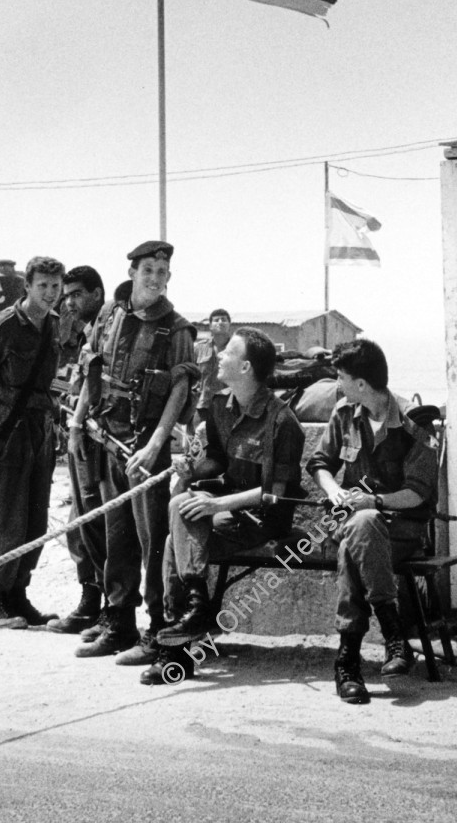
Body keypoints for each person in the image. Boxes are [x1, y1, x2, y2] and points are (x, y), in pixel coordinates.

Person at [147, 327, 305, 684]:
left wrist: (215, 503)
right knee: (179, 528)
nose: (219, 356)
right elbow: (216, 458)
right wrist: (194, 468)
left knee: (179, 528)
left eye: (228, 353)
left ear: (246, 367)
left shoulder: (282, 422)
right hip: (228, 515)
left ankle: (181, 641)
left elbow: (273, 494)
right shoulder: (221, 405)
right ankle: (194, 612)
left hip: (263, 522)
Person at [67, 240, 198, 664]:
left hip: (144, 447)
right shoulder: (110, 313)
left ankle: (159, 631)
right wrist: (77, 423)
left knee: (152, 541)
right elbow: (92, 368)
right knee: (116, 535)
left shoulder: (176, 330)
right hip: (106, 438)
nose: (155, 280)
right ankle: (119, 622)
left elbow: (180, 390)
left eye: (162, 273)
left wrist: (156, 444)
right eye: (148, 271)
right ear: (132, 272)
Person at [306, 338, 439, 704]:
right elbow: (320, 463)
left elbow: (418, 493)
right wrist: (333, 490)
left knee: (360, 534)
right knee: (360, 527)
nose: (339, 385)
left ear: (361, 384)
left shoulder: (415, 423)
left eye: (342, 377)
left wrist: (374, 500)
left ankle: (347, 662)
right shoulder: (345, 414)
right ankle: (392, 632)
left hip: (401, 531)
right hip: (348, 522)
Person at [0, 256, 67, 629]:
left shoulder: (54, 324)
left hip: (42, 429)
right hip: (9, 430)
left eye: (55, 286)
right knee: (9, 516)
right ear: (27, 285)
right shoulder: (5, 326)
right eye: (42, 285)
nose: (50, 293)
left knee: (36, 518)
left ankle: (19, 596)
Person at [45, 264, 108, 635]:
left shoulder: (109, 328)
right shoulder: (83, 330)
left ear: (97, 294)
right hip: (80, 434)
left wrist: (77, 423)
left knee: (100, 522)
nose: (70, 302)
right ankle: (91, 601)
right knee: (80, 522)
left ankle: (107, 609)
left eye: (77, 294)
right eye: (67, 295)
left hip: (99, 436)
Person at [193, 308, 234, 416]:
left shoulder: (237, 348)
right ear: (210, 326)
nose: (220, 322)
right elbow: (192, 374)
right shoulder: (201, 348)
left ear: (229, 324)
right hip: (203, 405)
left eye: (224, 319)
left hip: (230, 405)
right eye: (216, 320)